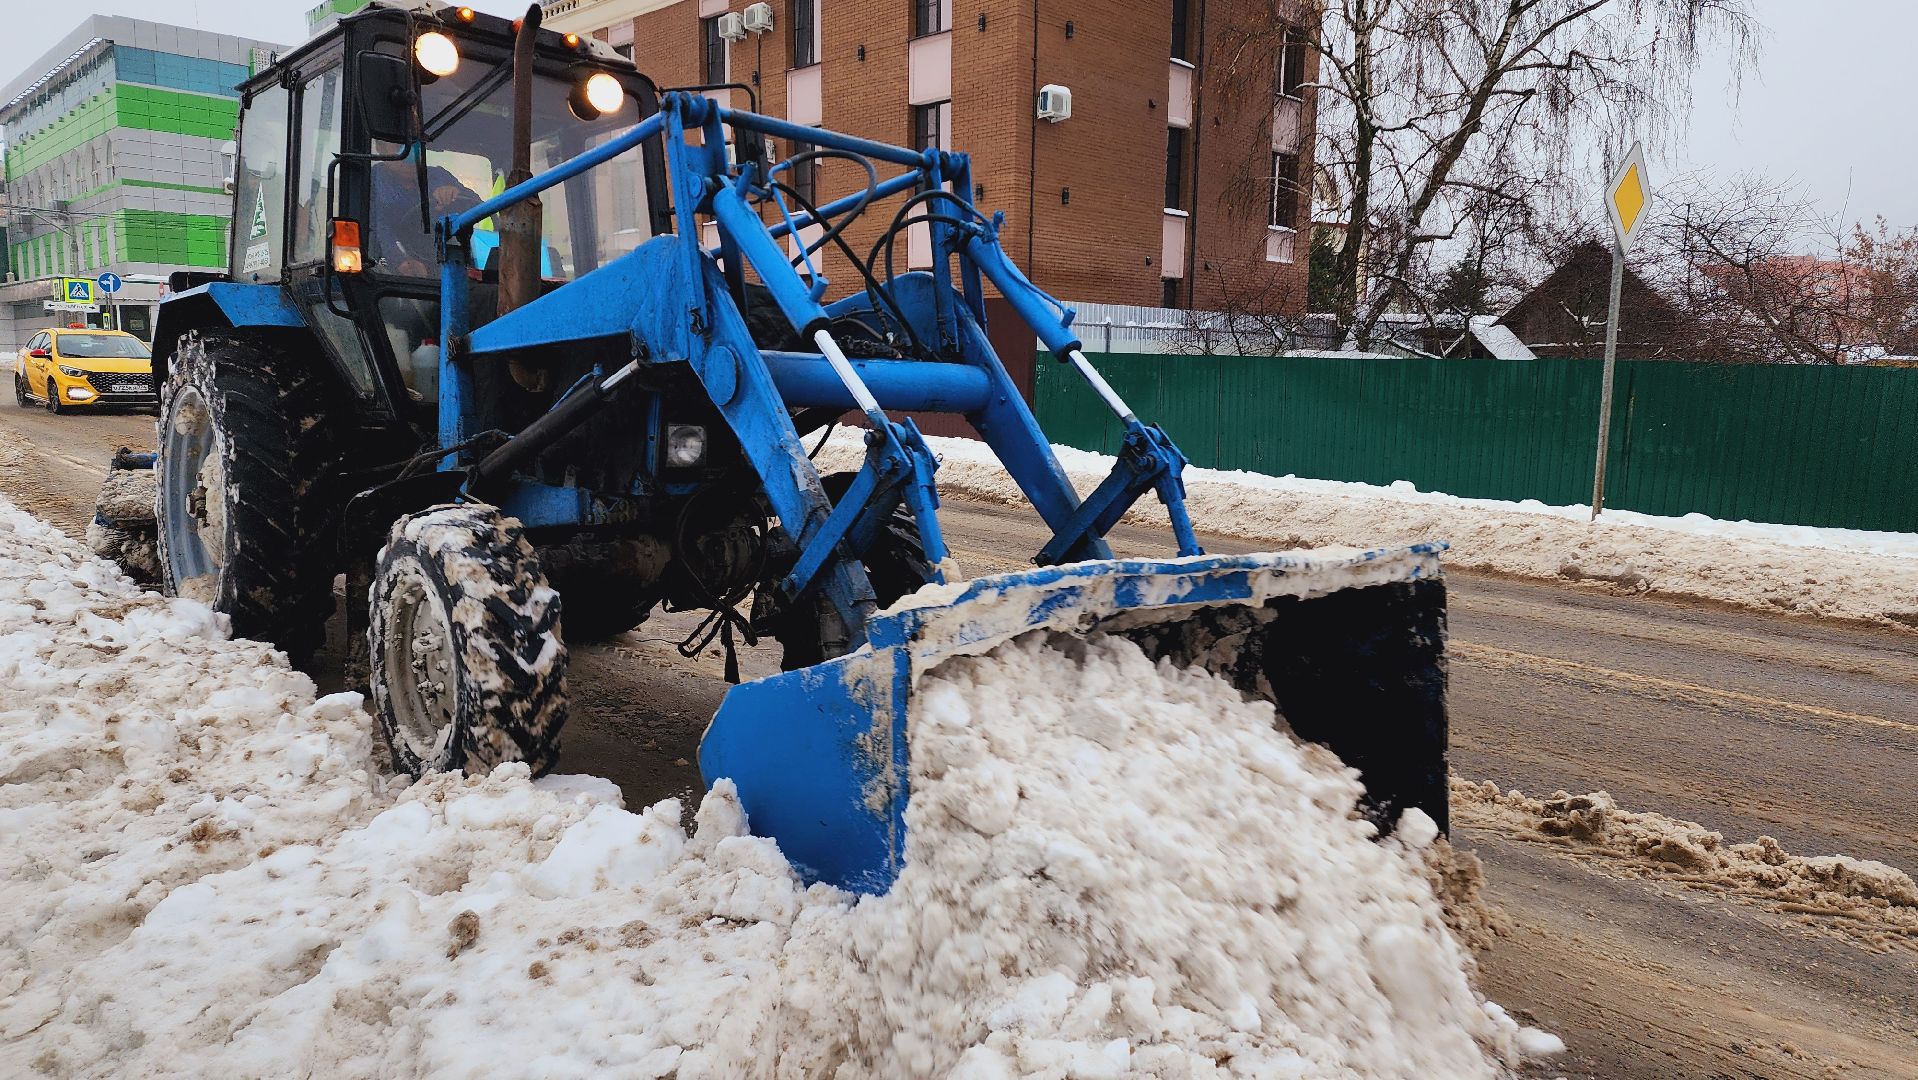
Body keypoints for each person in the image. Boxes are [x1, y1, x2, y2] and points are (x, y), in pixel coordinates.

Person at [370, 154, 485, 276]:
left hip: (451, 262)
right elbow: (379, 228)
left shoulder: (439, 175)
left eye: (415, 145)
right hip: (395, 271)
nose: (409, 154)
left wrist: (455, 193)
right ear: (381, 147)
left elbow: (479, 207)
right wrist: (400, 260)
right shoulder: (372, 180)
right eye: (399, 145)